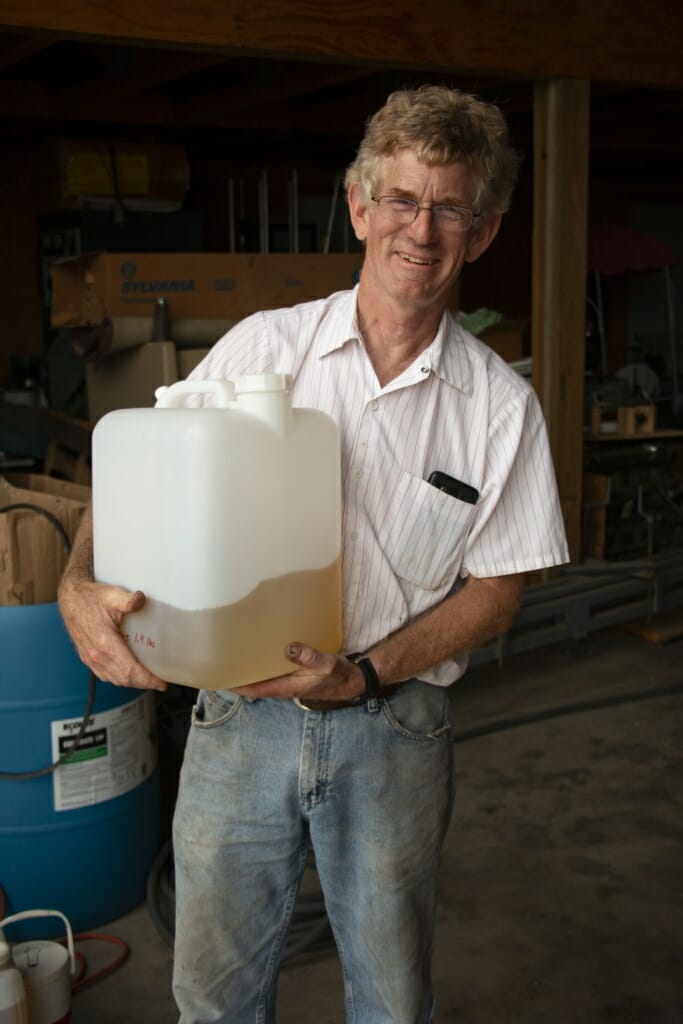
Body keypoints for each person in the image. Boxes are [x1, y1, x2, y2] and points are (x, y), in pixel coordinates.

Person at [58, 85, 569, 1024]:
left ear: (483, 230)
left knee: (388, 996)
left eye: (450, 206)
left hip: (396, 727)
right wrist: (77, 581)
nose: (422, 229)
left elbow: (499, 589)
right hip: (236, 717)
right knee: (213, 996)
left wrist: (366, 674)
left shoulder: (499, 407)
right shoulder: (266, 347)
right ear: (359, 207)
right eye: (403, 199)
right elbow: (138, 476)